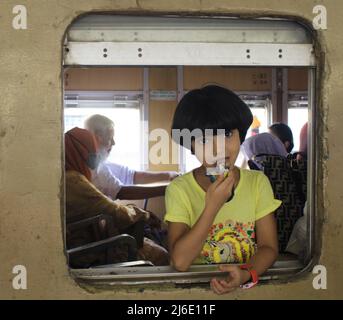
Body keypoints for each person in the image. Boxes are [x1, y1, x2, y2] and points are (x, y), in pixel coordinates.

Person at [164, 85, 281, 294]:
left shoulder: (257, 183)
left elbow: (269, 247)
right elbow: (180, 262)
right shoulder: (179, 189)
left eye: (227, 134)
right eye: (205, 139)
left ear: (240, 135)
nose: (219, 149)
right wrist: (212, 206)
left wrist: (245, 272)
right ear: (191, 146)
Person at [65, 127, 169, 267]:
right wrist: (142, 214)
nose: (93, 163)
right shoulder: (74, 181)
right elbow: (115, 211)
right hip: (90, 250)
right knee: (162, 255)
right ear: (84, 155)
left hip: (88, 241)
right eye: (91, 157)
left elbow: (129, 177)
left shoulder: (68, 176)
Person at [84, 114, 179, 200]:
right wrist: (169, 189)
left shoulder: (101, 162)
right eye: (110, 138)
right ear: (98, 137)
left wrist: (169, 175)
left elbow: (131, 175)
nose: (113, 143)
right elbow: (122, 192)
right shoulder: (94, 166)